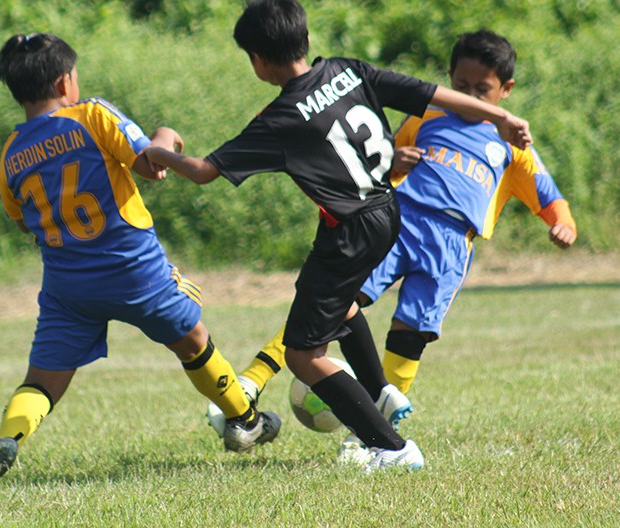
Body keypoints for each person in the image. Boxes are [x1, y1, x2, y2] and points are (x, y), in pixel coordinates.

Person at [144, 0, 534, 472]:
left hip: (348, 231)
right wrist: (501, 115)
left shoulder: (279, 119)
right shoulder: (349, 71)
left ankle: (390, 448)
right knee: (340, 303)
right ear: (305, 38)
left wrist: (158, 147)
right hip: (387, 211)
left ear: (258, 61)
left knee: (306, 356)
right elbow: (431, 93)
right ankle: (382, 390)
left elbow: (204, 170)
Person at [214, 29, 577, 462]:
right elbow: (374, 159)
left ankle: (370, 434)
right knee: (333, 303)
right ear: (450, 77)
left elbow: (548, 195)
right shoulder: (427, 118)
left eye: (482, 89)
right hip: (399, 223)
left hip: (450, 247)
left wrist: (562, 224)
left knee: (410, 334)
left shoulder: (511, 144)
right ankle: (255, 378)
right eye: (461, 85)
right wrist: (394, 161)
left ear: (506, 89)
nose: (469, 93)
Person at [0, 32, 280, 488]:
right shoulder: (91, 114)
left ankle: (9, 438)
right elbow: (151, 164)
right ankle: (246, 419)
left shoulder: (11, 154)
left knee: (43, 381)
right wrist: (167, 135)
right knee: (193, 340)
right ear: (66, 81)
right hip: (135, 272)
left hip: (69, 288)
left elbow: (24, 222)